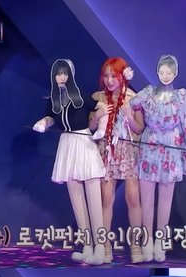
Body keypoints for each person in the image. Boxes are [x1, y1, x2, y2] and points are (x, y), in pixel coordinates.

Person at [129, 55, 186, 262]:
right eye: (162, 72)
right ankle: (147, 241)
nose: (165, 76)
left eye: (169, 72)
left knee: (165, 199)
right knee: (146, 199)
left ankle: (160, 242)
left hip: (170, 148)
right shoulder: (148, 93)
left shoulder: (181, 97)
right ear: (157, 72)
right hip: (150, 146)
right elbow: (132, 103)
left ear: (175, 74)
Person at [33, 59, 105, 265]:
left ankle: (100, 249)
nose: (62, 77)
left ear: (71, 75)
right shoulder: (53, 99)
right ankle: (87, 246)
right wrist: (42, 123)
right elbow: (50, 117)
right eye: (58, 73)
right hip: (67, 144)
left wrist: (101, 125)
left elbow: (102, 108)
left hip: (84, 143)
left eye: (65, 73)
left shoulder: (81, 95)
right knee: (76, 199)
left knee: (94, 199)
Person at [90, 58, 143, 264]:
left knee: (133, 198)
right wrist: (97, 116)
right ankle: (104, 246)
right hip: (106, 150)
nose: (109, 80)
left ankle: (136, 245)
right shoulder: (99, 97)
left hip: (128, 150)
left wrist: (129, 116)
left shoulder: (134, 98)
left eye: (114, 75)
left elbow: (139, 128)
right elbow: (91, 127)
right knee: (106, 199)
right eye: (106, 75)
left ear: (123, 76)